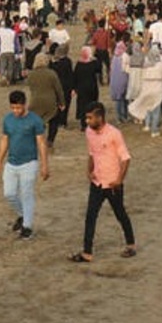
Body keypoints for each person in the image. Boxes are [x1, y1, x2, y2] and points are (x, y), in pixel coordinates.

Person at [71, 103, 135, 263]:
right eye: (86, 117)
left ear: (100, 117)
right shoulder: (89, 132)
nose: (87, 121)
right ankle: (87, 252)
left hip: (113, 183)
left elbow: (126, 158)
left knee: (120, 214)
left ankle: (131, 245)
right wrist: (89, 170)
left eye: (90, 118)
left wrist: (120, 180)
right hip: (97, 181)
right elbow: (92, 153)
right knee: (90, 216)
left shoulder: (114, 134)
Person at [0, 89, 49, 240]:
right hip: (11, 163)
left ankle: (27, 226)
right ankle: (23, 215)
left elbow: (41, 143)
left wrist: (44, 165)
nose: (15, 111)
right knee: (9, 193)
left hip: (29, 163)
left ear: (25, 105)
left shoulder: (35, 121)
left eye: (18, 107)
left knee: (27, 193)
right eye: (13, 108)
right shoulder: (8, 120)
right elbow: (5, 140)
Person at [25, 55, 66, 149]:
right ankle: (50, 141)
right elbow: (58, 89)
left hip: (35, 101)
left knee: (37, 122)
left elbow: (31, 88)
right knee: (53, 121)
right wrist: (62, 102)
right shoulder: (51, 73)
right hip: (50, 102)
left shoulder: (31, 75)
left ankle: (36, 140)